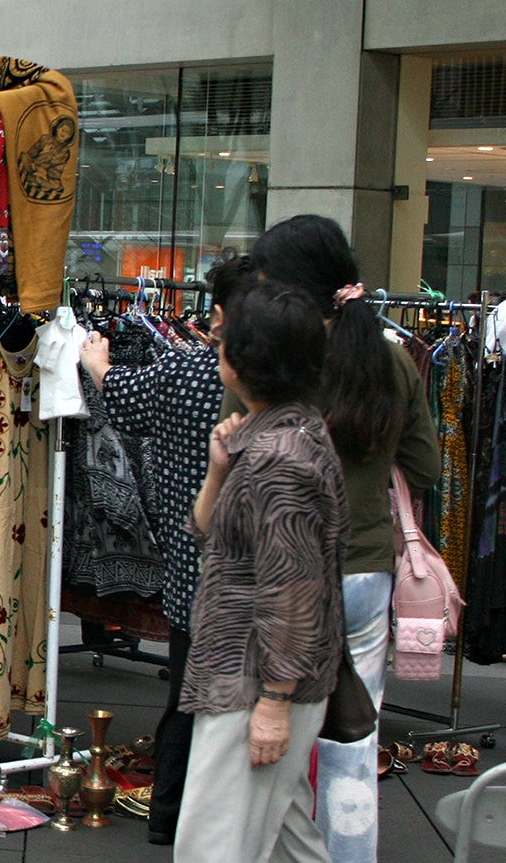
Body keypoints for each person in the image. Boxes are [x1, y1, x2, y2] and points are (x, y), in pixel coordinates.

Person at [234, 214, 441, 863]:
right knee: (351, 751)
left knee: (269, 751)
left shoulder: (276, 359)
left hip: (283, 577)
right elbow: (429, 468)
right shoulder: (390, 362)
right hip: (365, 575)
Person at [77, 253, 252, 845]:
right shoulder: (286, 387)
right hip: (262, 577)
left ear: (220, 315)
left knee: (184, 697)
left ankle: (168, 815)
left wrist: (95, 359)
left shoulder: (184, 373)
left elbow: (119, 394)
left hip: (191, 563)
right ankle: (220, 822)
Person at [174, 279, 348, 863]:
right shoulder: (280, 436)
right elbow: (208, 533)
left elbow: (293, 590)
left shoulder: (280, 457)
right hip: (250, 672)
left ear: (242, 363)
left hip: (251, 678)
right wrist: (219, 472)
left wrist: (274, 702)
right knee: (290, 841)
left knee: (212, 847)